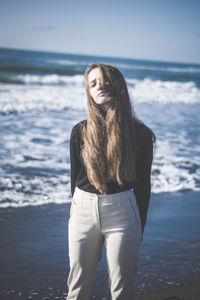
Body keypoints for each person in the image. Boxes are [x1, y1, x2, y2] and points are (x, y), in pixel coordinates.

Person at [66, 63, 156, 300]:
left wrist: (140, 227)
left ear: (117, 85)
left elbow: (143, 186)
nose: (99, 87)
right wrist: (75, 213)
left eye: (104, 81)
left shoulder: (141, 134)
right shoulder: (79, 131)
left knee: (122, 290)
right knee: (77, 288)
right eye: (92, 83)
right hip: (82, 210)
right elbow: (74, 179)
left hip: (123, 213)